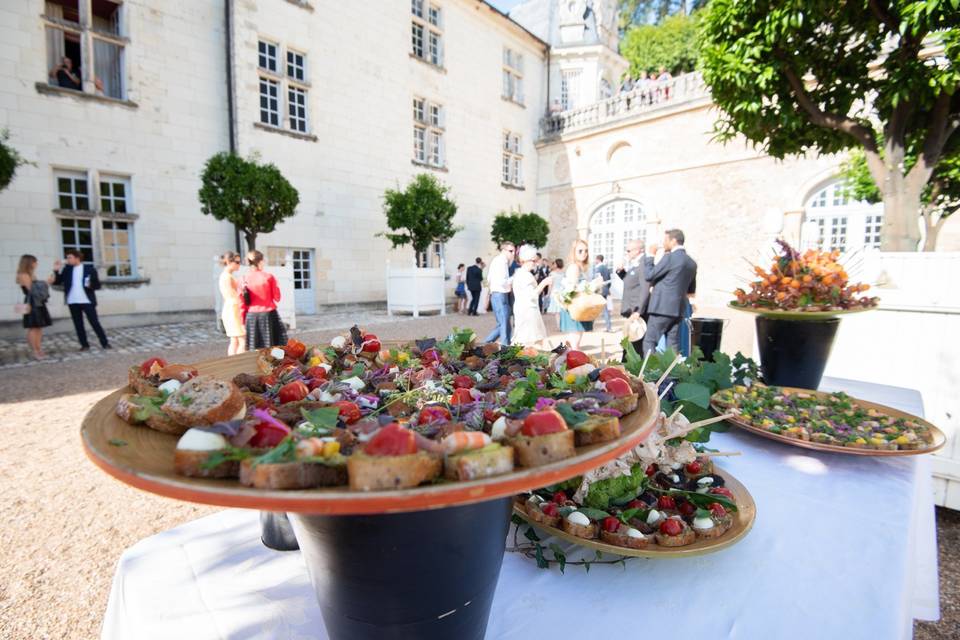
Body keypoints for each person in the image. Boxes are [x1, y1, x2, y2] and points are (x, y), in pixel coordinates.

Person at [642, 229, 697, 354]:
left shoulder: (670, 258)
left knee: (650, 341)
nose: (663, 243)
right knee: (672, 344)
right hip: (678, 309)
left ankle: (651, 372)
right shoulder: (691, 262)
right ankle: (672, 372)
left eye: (665, 240)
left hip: (661, 308)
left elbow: (649, 275)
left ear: (673, 241)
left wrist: (650, 255)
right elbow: (691, 290)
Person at [52, 249, 110, 351]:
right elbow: (57, 282)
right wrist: (56, 270)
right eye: (67, 258)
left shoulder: (89, 269)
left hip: (87, 300)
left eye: (70, 257)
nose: (67, 260)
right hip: (72, 301)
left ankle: (104, 343)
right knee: (78, 324)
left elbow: (97, 285)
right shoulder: (67, 269)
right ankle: (84, 345)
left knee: (94, 322)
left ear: (77, 258)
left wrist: (90, 284)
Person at [558, 239, 600, 349]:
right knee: (574, 344)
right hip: (574, 308)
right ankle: (571, 365)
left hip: (577, 307)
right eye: (580, 251)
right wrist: (592, 287)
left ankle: (569, 364)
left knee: (574, 343)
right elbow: (572, 290)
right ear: (574, 252)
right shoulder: (574, 267)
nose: (584, 253)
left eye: (586, 251)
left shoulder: (581, 267)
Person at [241, 250, 287, 350]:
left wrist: (243, 320)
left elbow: (242, 303)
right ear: (260, 262)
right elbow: (277, 297)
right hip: (268, 314)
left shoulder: (244, 278)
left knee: (254, 347)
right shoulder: (268, 277)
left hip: (251, 317)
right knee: (274, 346)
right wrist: (277, 285)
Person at [511, 245, 553, 348]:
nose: (536, 263)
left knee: (526, 341)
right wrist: (544, 283)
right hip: (528, 311)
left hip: (523, 309)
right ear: (526, 261)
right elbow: (532, 295)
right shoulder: (525, 275)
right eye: (534, 261)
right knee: (532, 342)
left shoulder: (520, 273)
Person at [617, 240, 650, 360]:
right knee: (630, 340)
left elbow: (645, 288)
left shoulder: (643, 264)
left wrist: (638, 310)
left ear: (639, 250)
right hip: (631, 309)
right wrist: (620, 271)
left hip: (636, 311)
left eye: (629, 250)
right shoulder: (636, 264)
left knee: (635, 341)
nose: (627, 253)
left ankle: (632, 368)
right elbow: (631, 281)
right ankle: (627, 366)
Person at [16, 255, 52, 359]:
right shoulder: (23, 274)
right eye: (35, 262)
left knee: (38, 326)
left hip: (37, 302)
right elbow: (32, 289)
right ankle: (35, 351)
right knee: (33, 327)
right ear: (29, 262)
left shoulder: (30, 274)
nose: (36, 264)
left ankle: (39, 348)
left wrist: (44, 283)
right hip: (32, 303)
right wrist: (46, 282)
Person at [483, 242, 515, 345]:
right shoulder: (501, 261)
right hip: (499, 294)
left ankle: (487, 343)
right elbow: (502, 282)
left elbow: (489, 279)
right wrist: (515, 277)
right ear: (503, 250)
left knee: (504, 323)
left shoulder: (500, 260)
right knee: (504, 323)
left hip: (500, 294)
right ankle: (505, 346)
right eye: (511, 251)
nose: (513, 253)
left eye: (514, 251)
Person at [218, 252, 246, 356]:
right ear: (229, 262)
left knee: (234, 340)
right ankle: (240, 364)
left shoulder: (224, 276)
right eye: (237, 262)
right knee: (242, 339)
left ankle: (234, 364)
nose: (239, 264)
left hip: (229, 308)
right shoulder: (228, 277)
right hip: (234, 308)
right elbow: (236, 294)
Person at [592, 254, 613, 332]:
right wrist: (607, 288)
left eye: (595, 260)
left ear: (598, 260)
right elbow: (609, 281)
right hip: (605, 290)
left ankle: (590, 326)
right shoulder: (606, 268)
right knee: (605, 309)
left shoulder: (597, 269)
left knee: (594, 308)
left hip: (599, 290)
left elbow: (596, 280)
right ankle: (609, 327)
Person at [546, 258, 565, 325]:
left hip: (555, 292)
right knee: (562, 310)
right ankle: (562, 324)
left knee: (557, 312)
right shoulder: (564, 273)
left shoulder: (552, 273)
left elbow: (550, 284)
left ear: (556, 264)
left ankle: (558, 325)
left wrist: (548, 293)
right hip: (562, 292)